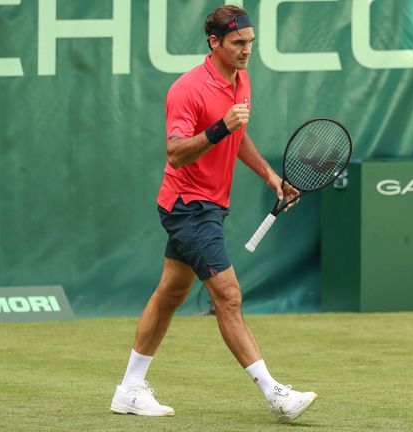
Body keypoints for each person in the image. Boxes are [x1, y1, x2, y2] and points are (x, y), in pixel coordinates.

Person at [109, 5, 317, 423]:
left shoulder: (242, 81)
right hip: (188, 207)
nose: (247, 50)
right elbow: (175, 151)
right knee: (228, 295)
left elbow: (237, 136)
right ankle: (274, 393)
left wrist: (270, 177)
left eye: (250, 42)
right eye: (239, 43)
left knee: (170, 294)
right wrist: (220, 127)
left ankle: (129, 388)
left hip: (210, 205)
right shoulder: (187, 90)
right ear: (215, 43)